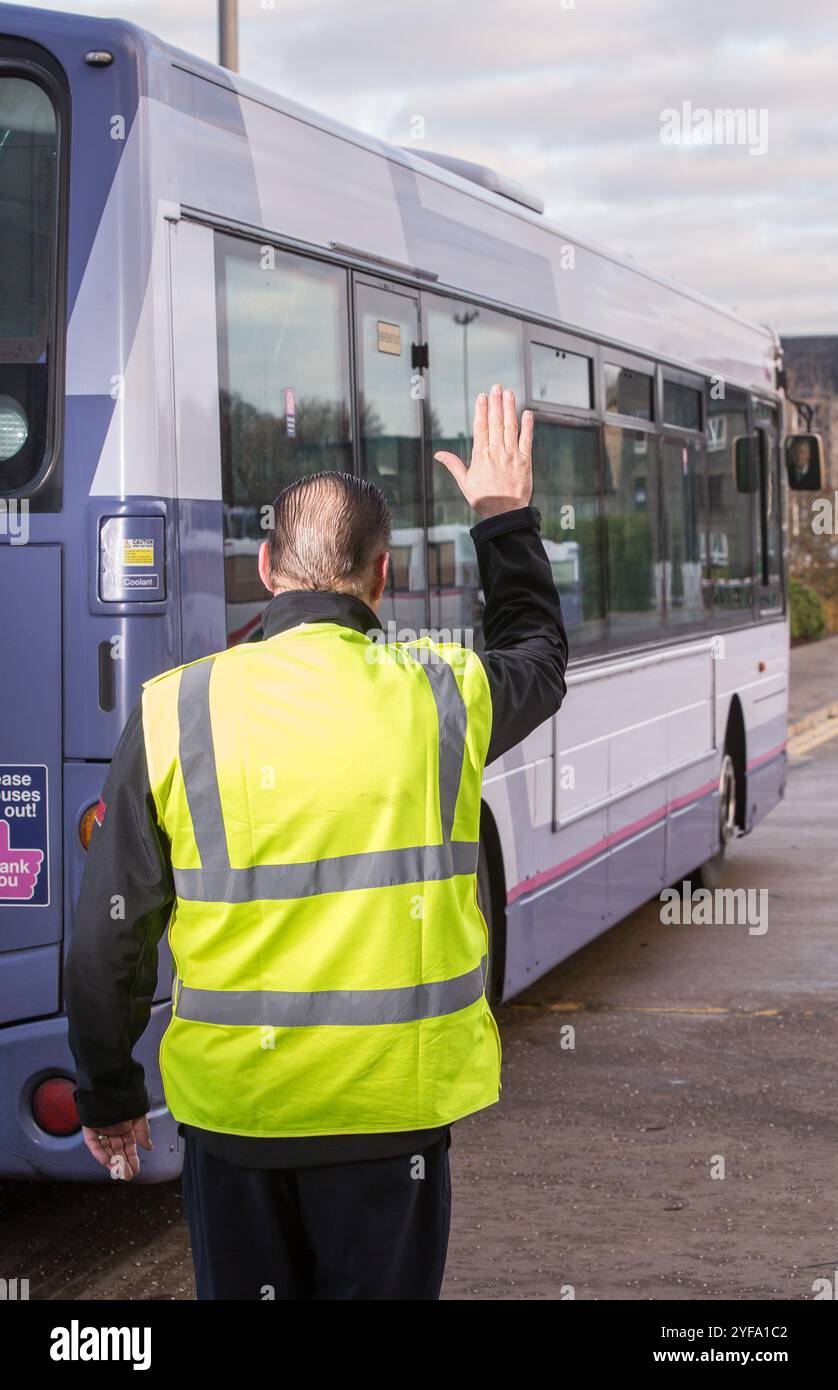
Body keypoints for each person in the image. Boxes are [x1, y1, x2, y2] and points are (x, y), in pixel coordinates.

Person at [65, 384, 568, 1300]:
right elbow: (538, 653)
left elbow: (111, 929)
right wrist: (501, 516)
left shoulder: (176, 707)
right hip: (390, 1120)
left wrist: (108, 1094)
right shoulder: (442, 699)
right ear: (383, 579)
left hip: (236, 1124)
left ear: (266, 567)